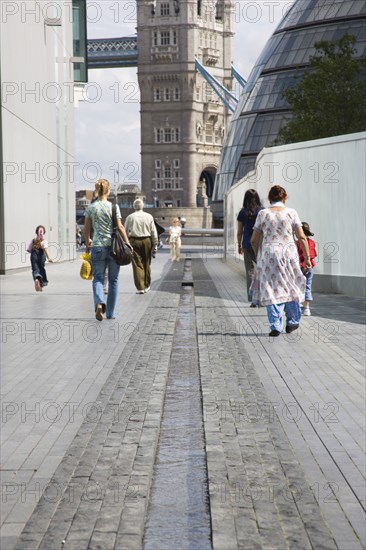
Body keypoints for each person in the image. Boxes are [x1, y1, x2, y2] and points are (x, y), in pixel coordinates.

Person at [250, 185, 311, 337]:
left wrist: (259, 255)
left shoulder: (262, 214)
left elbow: (253, 240)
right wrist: (307, 257)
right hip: (289, 254)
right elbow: (302, 237)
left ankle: (275, 325)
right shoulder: (291, 213)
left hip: (269, 254)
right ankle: (292, 321)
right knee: (291, 285)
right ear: (285, 198)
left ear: (270, 198)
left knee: (271, 288)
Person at [84, 179, 131, 321]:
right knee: (114, 280)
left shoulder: (91, 208)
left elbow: (86, 230)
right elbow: (120, 227)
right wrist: (128, 243)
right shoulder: (113, 207)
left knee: (98, 278)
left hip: (97, 246)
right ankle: (110, 313)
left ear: (96, 191)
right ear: (108, 191)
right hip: (113, 248)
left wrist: (87, 242)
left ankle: (99, 303)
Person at [124, 199, 158, 294]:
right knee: (147, 262)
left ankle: (140, 287)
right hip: (146, 240)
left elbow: (125, 231)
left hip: (133, 240)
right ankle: (147, 285)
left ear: (134, 207)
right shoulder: (149, 216)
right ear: (143, 206)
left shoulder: (130, 217)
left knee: (137, 264)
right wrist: (155, 244)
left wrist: (126, 243)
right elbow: (153, 232)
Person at [237, 189, 263, 306]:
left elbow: (239, 232)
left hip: (247, 245)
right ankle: (263, 297)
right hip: (261, 245)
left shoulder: (242, 212)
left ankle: (253, 299)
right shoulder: (262, 211)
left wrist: (239, 245)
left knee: (250, 272)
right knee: (263, 271)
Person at [296, 222, 317, 316]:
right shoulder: (312, 242)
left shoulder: (297, 243)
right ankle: (307, 308)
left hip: (299, 266)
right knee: (308, 286)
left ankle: (298, 305)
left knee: (297, 286)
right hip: (310, 266)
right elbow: (315, 254)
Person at [27, 225, 53, 292]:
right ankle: (41, 285)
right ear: (43, 233)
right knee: (41, 269)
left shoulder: (33, 240)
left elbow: (29, 250)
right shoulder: (44, 241)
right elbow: (45, 249)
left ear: (36, 232)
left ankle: (36, 280)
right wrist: (49, 258)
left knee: (35, 270)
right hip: (41, 257)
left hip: (33, 256)